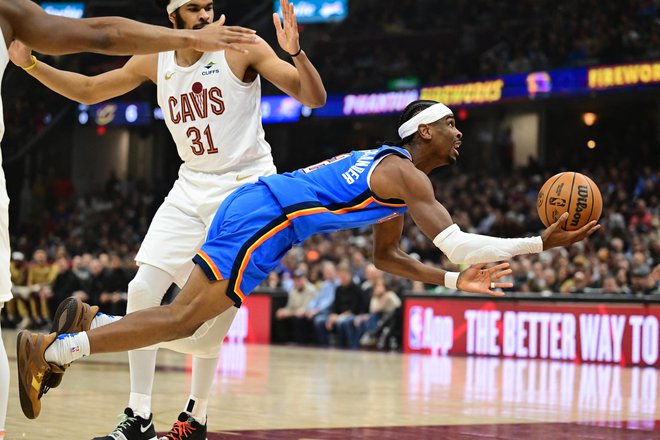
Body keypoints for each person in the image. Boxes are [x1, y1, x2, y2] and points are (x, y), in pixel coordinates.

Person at [17, 100, 601, 429]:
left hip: (260, 211)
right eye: (451, 125)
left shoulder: (392, 178)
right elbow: (459, 243)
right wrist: (540, 244)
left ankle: (84, 329)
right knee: (182, 324)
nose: (459, 134)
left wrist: (451, 281)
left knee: (185, 325)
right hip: (268, 218)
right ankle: (56, 347)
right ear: (425, 131)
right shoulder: (406, 175)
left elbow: (387, 256)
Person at [10, 0, 326, 437]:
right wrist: (31, 66)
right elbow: (87, 90)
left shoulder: (240, 45)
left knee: (205, 327)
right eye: (193, 8)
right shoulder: (153, 56)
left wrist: (296, 53)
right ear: (172, 15)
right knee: (142, 288)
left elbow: (312, 97)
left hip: (246, 189)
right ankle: (139, 414)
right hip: (190, 184)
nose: (204, 15)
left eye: (209, 6)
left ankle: (194, 412)